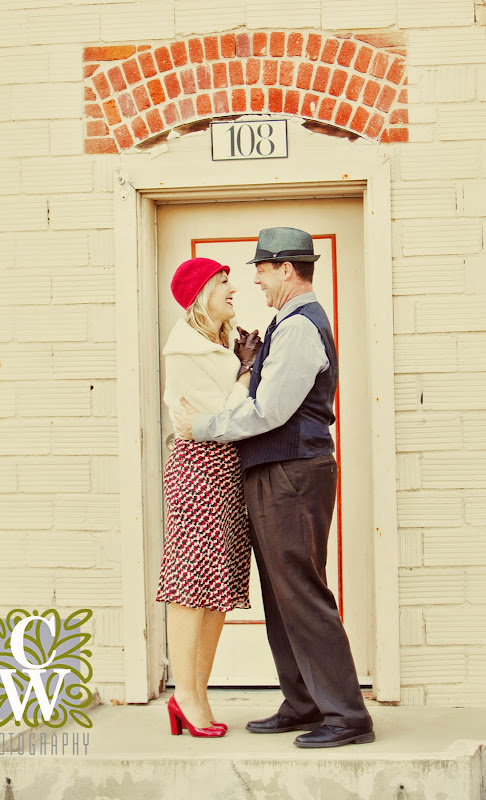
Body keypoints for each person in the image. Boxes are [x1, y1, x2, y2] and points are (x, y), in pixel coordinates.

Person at [174, 227, 375, 749]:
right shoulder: (284, 324)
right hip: (276, 474)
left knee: (302, 593)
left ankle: (347, 716)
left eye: (262, 268)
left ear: (287, 269)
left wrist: (202, 428)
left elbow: (269, 411)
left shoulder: (300, 328)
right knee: (282, 594)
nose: (256, 278)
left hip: (293, 473)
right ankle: (304, 701)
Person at [156, 256, 261, 739]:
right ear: (202, 294)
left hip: (228, 472)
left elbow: (228, 419)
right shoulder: (184, 351)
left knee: (216, 587)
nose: (233, 288)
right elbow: (220, 419)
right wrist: (243, 377)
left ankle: (198, 692)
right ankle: (184, 696)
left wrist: (243, 368)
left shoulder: (224, 339)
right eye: (223, 282)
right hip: (199, 470)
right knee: (190, 584)